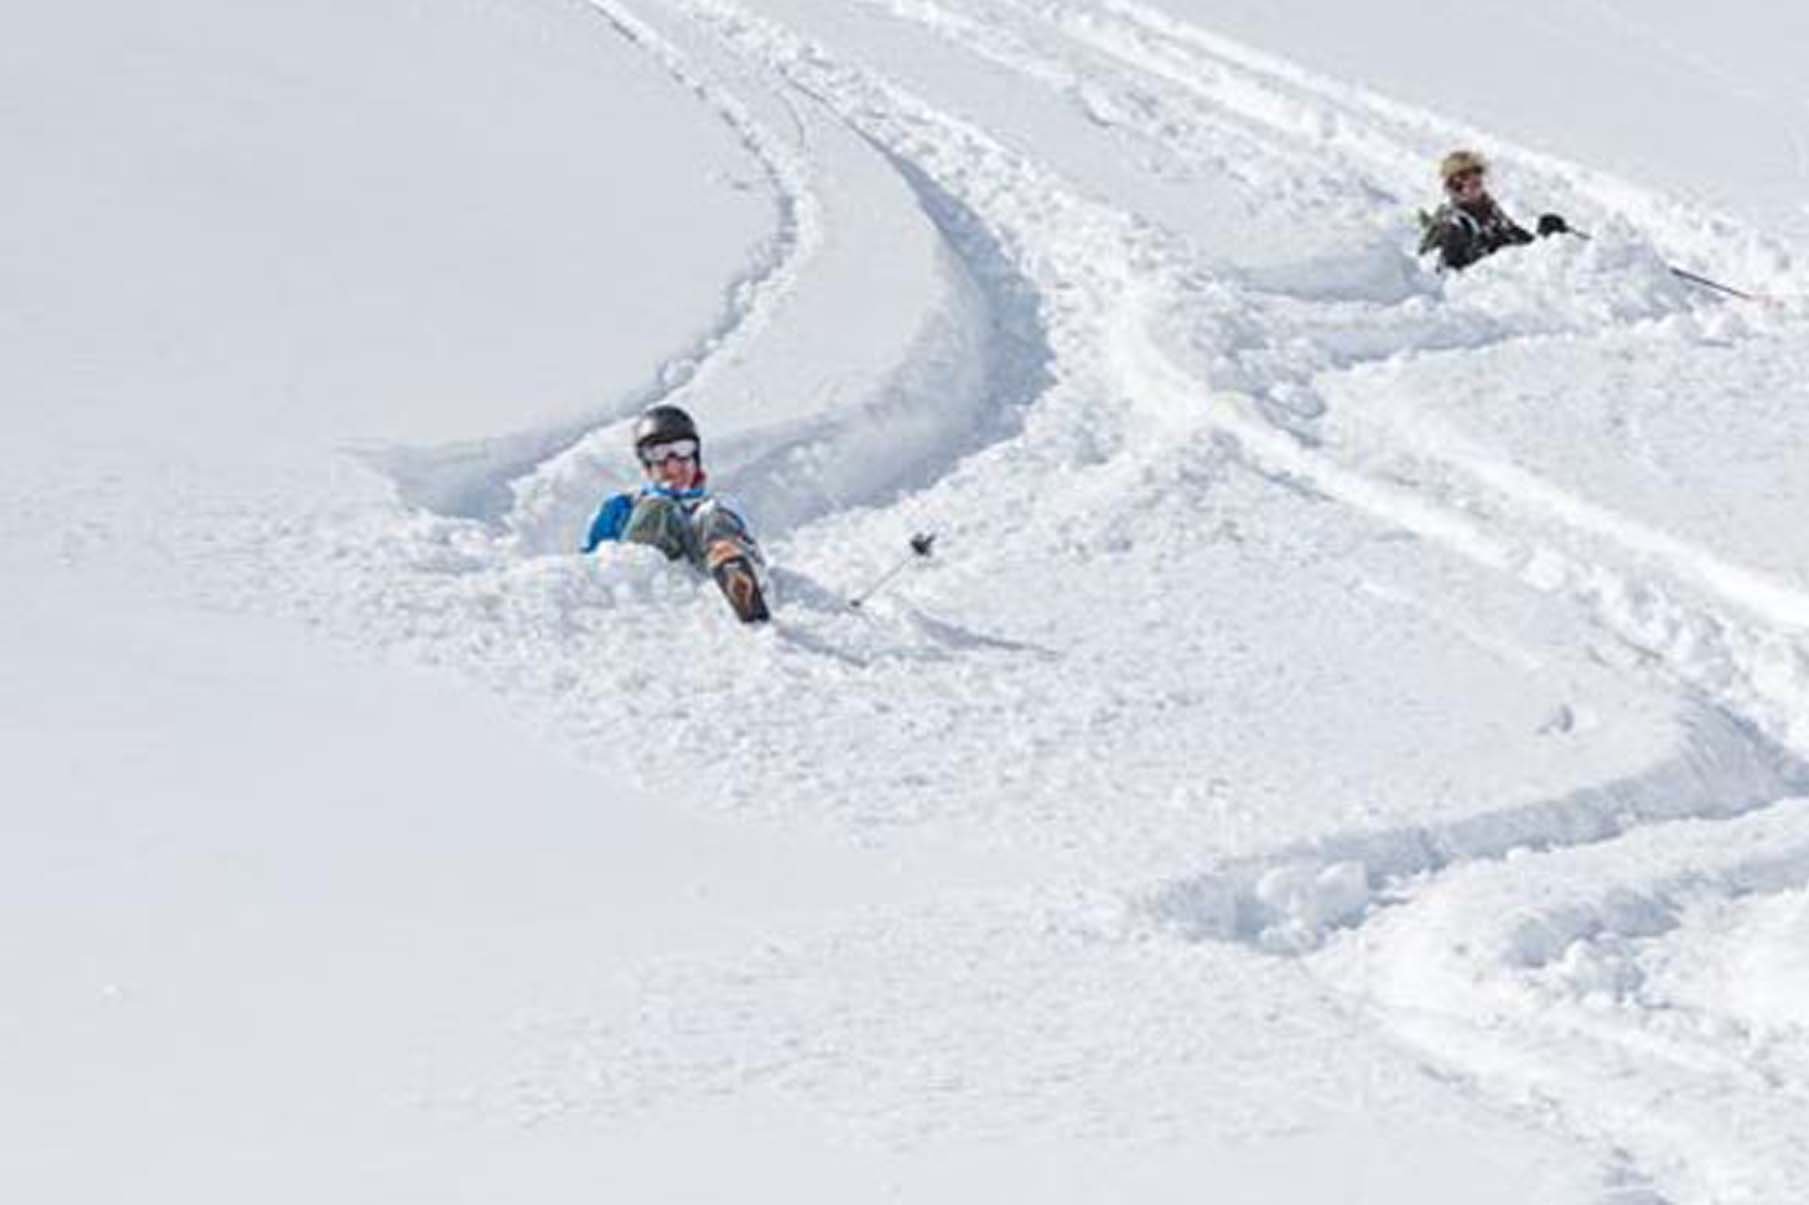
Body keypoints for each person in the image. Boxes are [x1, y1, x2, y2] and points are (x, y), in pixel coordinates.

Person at [583, 404, 770, 623]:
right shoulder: (620, 506)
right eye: (658, 453)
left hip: (700, 569)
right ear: (646, 462)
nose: (672, 464)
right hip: (642, 586)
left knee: (716, 511)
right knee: (657, 507)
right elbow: (588, 567)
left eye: (682, 450)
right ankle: (640, 568)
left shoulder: (717, 507)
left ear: (696, 456)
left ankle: (732, 570)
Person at [1419, 150, 1570, 272]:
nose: (1476, 187)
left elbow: (1511, 233)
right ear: (1454, 187)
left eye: (1478, 182)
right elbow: (1449, 271)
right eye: (1469, 183)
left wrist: (1542, 243)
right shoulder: (1456, 223)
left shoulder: (1488, 207)